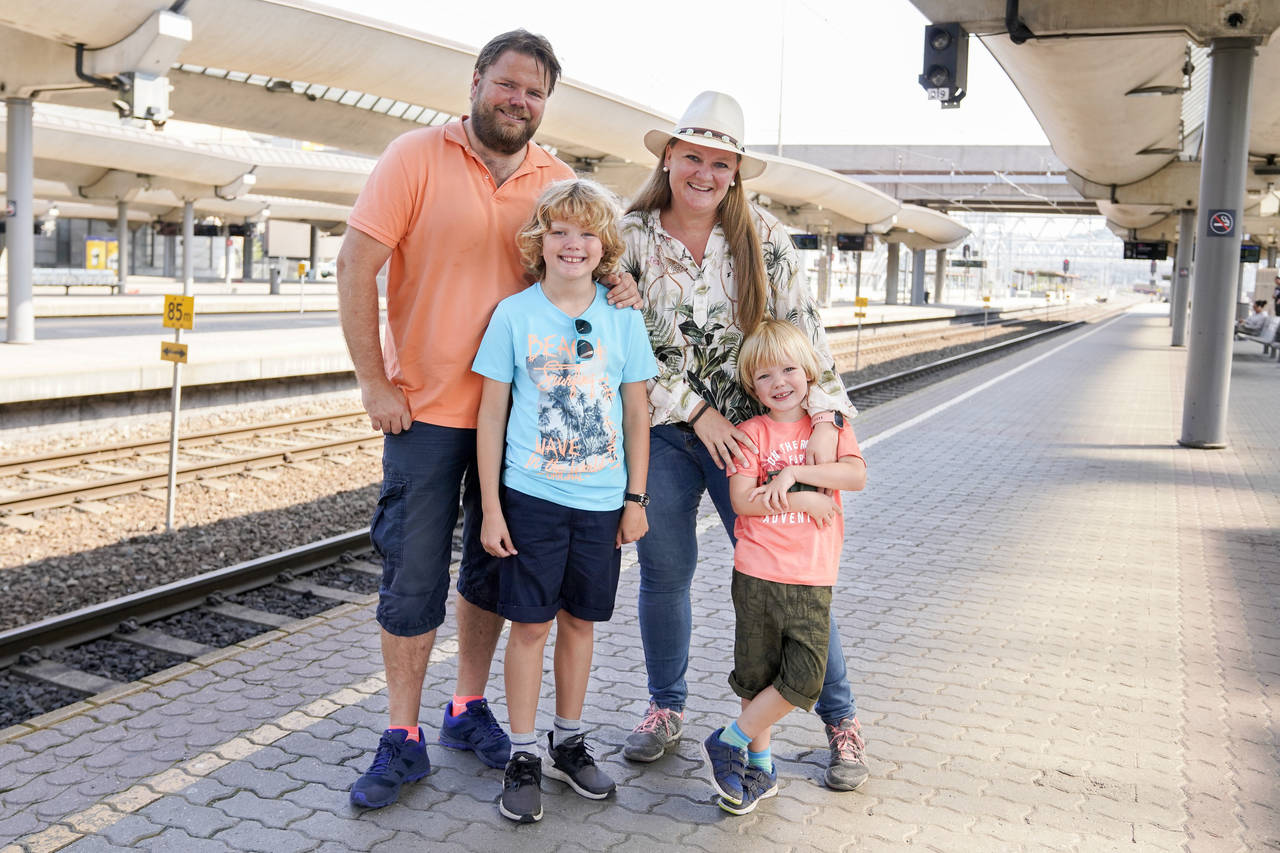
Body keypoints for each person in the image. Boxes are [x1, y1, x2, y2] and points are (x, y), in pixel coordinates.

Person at [337, 30, 638, 810]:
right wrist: (375, 381)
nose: (519, 102)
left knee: (489, 570)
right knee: (412, 575)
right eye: (507, 85)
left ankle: (467, 708)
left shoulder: (556, 179)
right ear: (476, 82)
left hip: (526, 429)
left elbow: (589, 261)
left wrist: (623, 287)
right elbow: (355, 265)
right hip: (429, 411)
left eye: (535, 93)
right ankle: (401, 739)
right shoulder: (413, 157)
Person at [618, 90, 869, 791]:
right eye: (691, 156)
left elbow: (805, 333)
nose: (703, 172)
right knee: (665, 570)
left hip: (762, 438)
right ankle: (665, 708)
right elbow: (623, 341)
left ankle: (841, 721)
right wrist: (698, 413)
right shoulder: (631, 234)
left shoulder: (764, 235)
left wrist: (822, 421)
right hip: (666, 430)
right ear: (669, 158)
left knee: (797, 580)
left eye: (719, 162)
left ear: (736, 172)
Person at [473, 179, 658, 823]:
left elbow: (637, 411)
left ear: (604, 246)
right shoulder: (514, 315)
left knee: (581, 623)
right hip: (530, 498)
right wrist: (492, 508)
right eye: (559, 231)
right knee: (530, 626)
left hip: (602, 500)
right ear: (539, 242)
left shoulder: (623, 318)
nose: (572, 244)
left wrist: (636, 497)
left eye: (586, 233)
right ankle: (522, 753)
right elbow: (491, 415)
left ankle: (568, 739)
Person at [702, 318, 867, 815]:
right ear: (752, 386)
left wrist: (795, 473)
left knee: (803, 679)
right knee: (757, 677)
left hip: (812, 575)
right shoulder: (749, 434)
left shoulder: (830, 426)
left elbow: (855, 476)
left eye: (790, 370)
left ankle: (729, 740)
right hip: (757, 572)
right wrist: (803, 499)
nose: (780, 383)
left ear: (809, 373)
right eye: (766, 376)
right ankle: (762, 768)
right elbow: (742, 502)